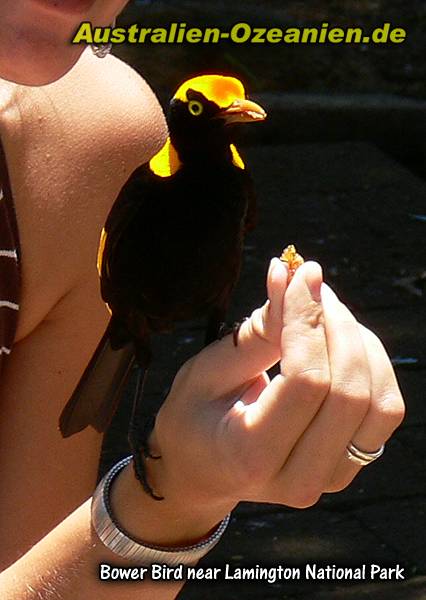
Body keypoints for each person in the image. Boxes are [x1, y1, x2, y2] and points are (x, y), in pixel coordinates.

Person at [0, 1, 405, 598]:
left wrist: (177, 493)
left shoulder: (90, 142)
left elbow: (27, 566)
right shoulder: (141, 180)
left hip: (162, 303)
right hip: (133, 303)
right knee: (128, 353)